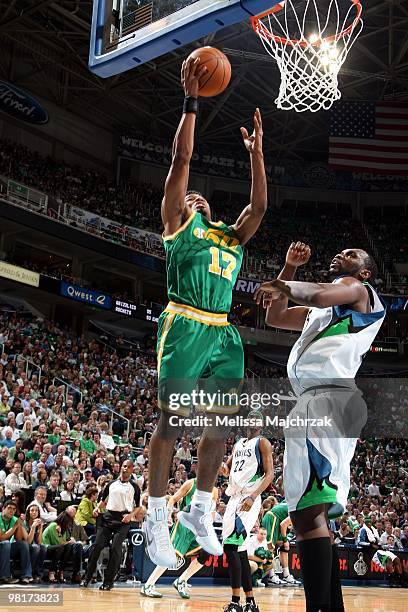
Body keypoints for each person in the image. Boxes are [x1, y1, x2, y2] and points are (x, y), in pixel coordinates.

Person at [145, 54, 268, 569]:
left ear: (211, 209)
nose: (192, 196)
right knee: (171, 423)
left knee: (222, 421)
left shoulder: (230, 236)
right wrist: (192, 104)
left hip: (222, 332)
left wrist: (257, 155)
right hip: (185, 322)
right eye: (187, 196)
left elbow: (258, 208)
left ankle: (199, 506)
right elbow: (180, 163)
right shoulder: (179, 226)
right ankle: (155, 517)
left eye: (199, 197)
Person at [255, 242, 386, 612]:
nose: (341, 255)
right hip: (324, 401)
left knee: (306, 511)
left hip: (326, 399)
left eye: (352, 254)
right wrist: (288, 269)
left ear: (364, 272)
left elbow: (318, 293)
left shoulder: (359, 291)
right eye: (341, 252)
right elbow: (275, 318)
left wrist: (284, 284)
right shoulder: (322, 311)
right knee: (315, 511)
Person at [222, 413, 273, 612]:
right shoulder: (239, 444)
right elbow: (227, 468)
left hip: (248, 498)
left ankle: (235, 602)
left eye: (256, 419)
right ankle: (250, 603)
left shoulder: (263, 443)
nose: (252, 421)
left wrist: (253, 497)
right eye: (249, 418)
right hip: (234, 498)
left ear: (261, 424)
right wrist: (222, 468)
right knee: (240, 552)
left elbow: (270, 474)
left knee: (231, 548)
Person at [141, 477, 217, 599]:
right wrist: (169, 515)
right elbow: (172, 499)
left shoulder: (214, 490)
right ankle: (148, 585)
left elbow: (212, 512)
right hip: (184, 526)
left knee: (206, 554)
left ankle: (181, 581)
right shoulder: (190, 484)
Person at [80, 459, 141, 591]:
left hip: (123, 519)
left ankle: (108, 581)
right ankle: (87, 577)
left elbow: (138, 507)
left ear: (132, 470)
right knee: (97, 546)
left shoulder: (134, 487)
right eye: (124, 466)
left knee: (115, 548)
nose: (125, 468)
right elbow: (103, 501)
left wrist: (131, 515)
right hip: (108, 517)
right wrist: (97, 508)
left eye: (128, 467)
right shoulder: (111, 484)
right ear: (121, 468)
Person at [261, 498, 300, 586]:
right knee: (270, 547)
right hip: (272, 518)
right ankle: (271, 576)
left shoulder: (294, 504)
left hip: (279, 520)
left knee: (283, 547)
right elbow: (284, 525)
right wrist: (285, 540)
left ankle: (286, 575)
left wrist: (285, 541)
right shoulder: (298, 510)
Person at [42, 507, 82, 583]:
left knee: (69, 546)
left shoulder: (63, 528)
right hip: (47, 547)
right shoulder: (54, 525)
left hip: (58, 549)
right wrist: (62, 536)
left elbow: (63, 543)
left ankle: (61, 571)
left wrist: (70, 542)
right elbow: (57, 543)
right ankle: (52, 571)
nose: (68, 524)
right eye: (68, 522)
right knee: (62, 547)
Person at [0, 499, 32, 584]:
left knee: (23, 544)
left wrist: (20, 525)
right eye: (9, 508)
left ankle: (25, 576)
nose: (12, 511)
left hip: (6, 548)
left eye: (14, 509)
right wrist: (15, 526)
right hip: (2, 545)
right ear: (3, 509)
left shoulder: (14, 519)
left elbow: (18, 539)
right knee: (6, 543)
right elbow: (2, 538)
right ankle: (5, 576)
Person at [24, 503, 46, 582]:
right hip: (24, 545)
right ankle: (31, 572)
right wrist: (33, 527)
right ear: (28, 512)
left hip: (34, 546)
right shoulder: (24, 523)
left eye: (36, 511)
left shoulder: (38, 523)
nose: (34, 512)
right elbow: (28, 542)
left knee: (43, 547)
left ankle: (38, 574)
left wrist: (40, 528)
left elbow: (39, 542)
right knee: (36, 547)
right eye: (32, 510)